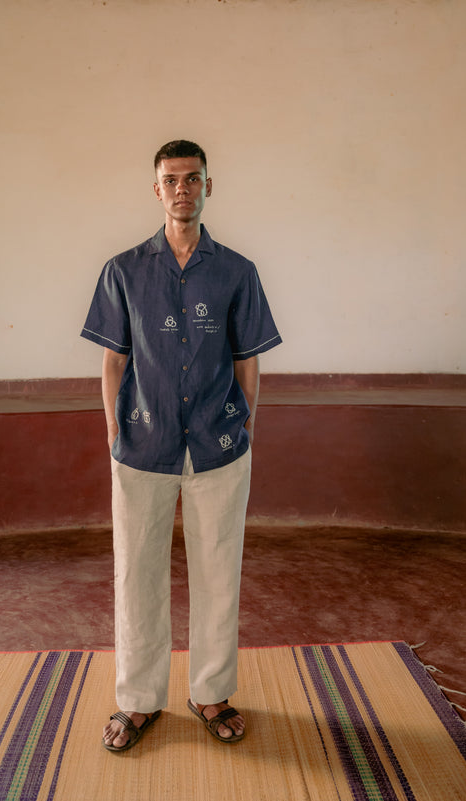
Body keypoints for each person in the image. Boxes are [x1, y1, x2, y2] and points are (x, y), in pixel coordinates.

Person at [81, 140, 281, 752]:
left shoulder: (237, 271)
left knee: (220, 572)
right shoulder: (124, 270)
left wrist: (245, 424)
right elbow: (114, 360)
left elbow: (247, 359)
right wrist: (114, 428)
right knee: (135, 574)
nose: (183, 189)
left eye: (193, 179)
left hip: (220, 445)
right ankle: (137, 702)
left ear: (208, 187)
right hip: (142, 442)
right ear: (157, 189)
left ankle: (210, 692)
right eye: (171, 180)